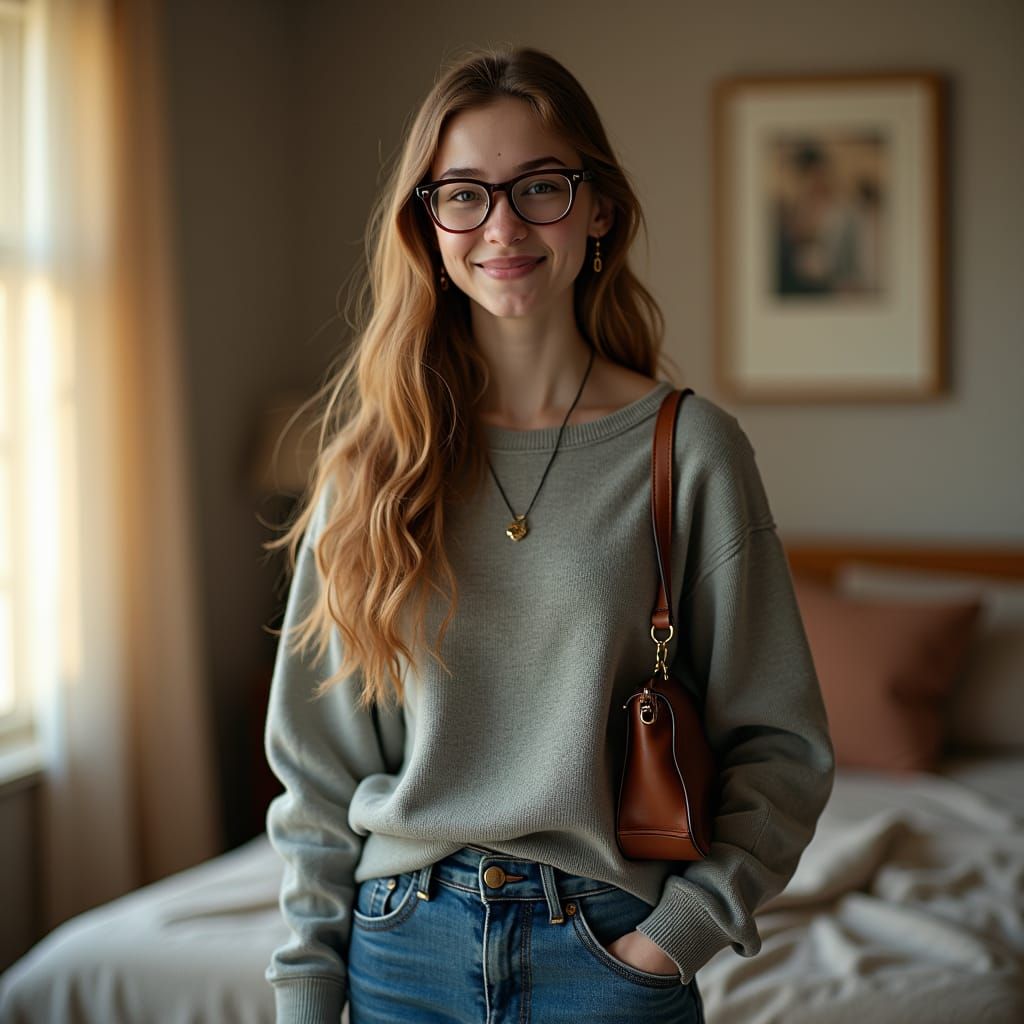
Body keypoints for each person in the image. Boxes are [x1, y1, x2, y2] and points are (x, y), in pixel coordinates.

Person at [262, 44, 834, 1024]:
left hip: (610, 950)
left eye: (539, 187)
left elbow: (781, 745)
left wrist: (677, 936)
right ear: (427, 222)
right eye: (464, 195)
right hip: (398, 952)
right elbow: (317, 771)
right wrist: (306, 986)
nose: (502, 225)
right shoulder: (371, 464)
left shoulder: (689, 449)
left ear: (597, 207)